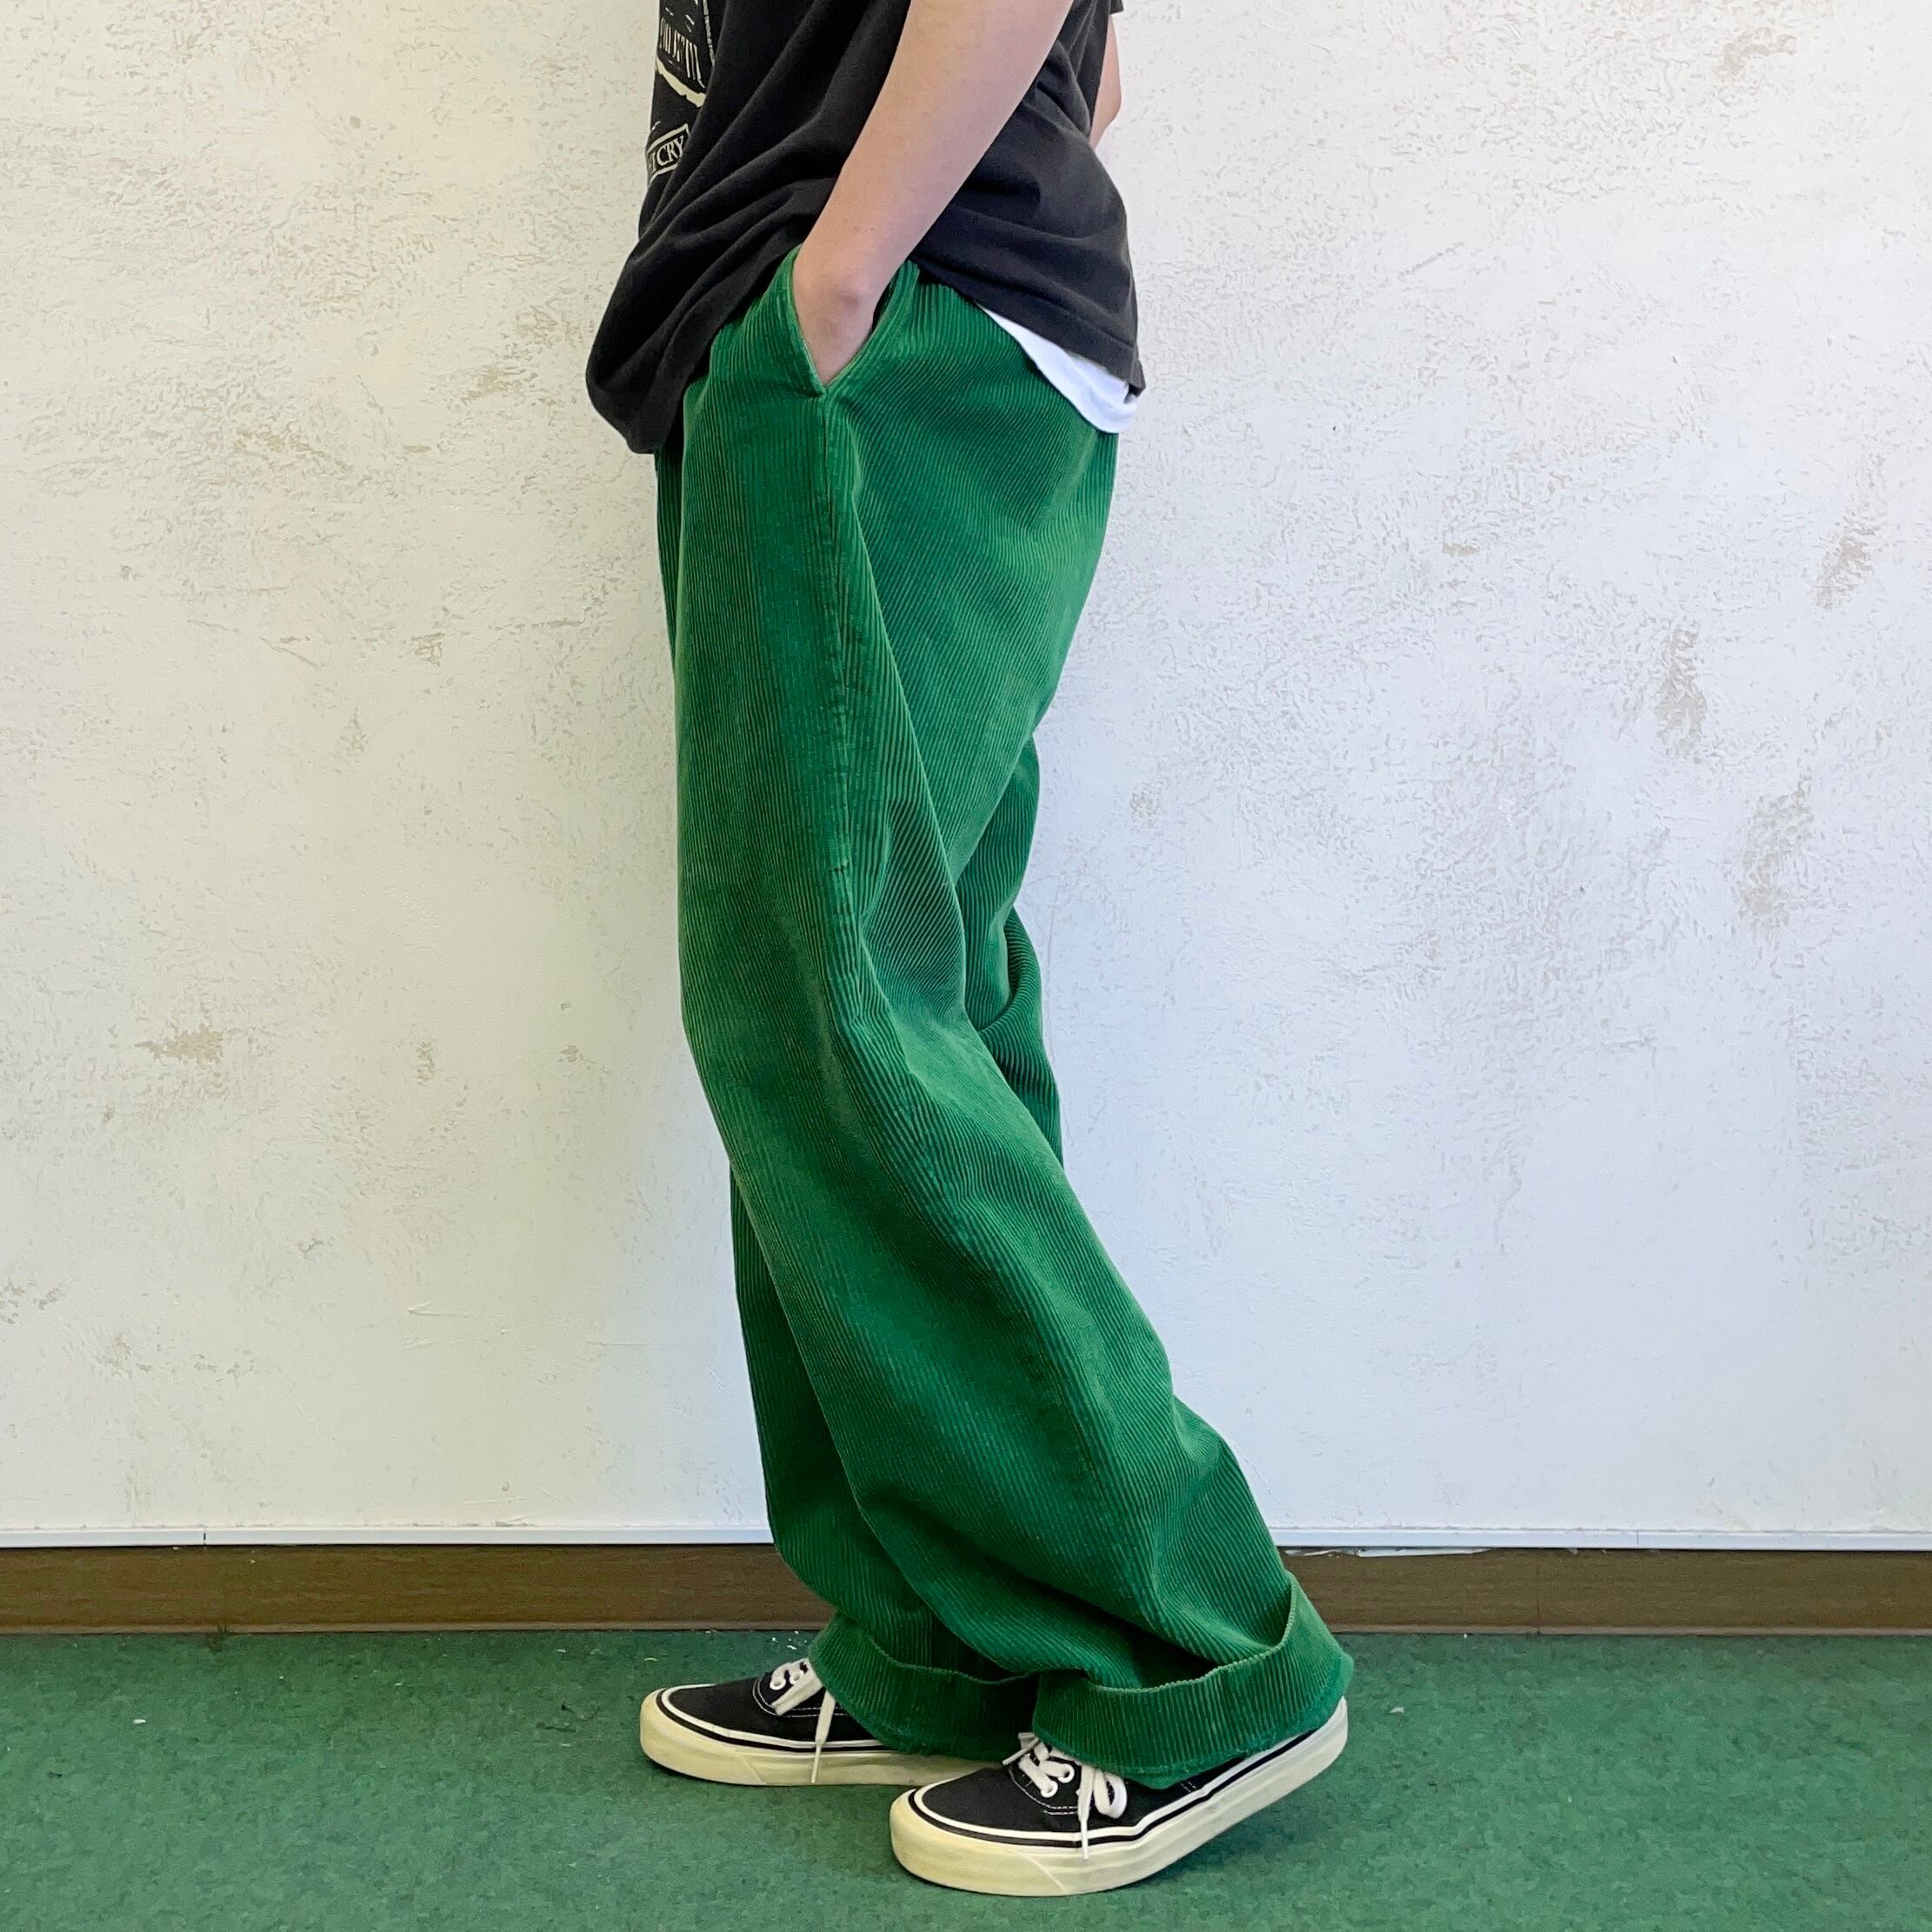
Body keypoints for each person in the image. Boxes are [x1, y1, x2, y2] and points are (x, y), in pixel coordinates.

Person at [585, 0, 1354, 1897]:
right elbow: (1096, 71)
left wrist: (835, 282)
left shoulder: (855, 304)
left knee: (827, 1005)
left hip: (884, 325)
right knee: (900, 1002)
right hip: (907, 327)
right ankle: (951, 1628)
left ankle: (1186, 1654)